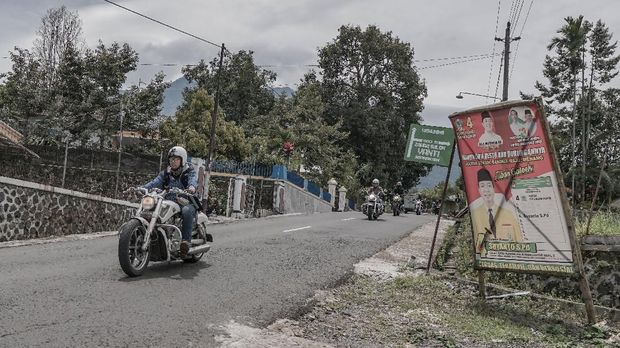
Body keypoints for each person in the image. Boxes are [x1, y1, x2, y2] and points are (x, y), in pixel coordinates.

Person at [143, 146, 198, 256]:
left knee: (187, 211)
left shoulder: (189, 171)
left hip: (186, 201)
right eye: (171, 159)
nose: (173, 162)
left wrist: (191, 188)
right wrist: (142, 188)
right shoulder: (166, 173)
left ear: (182, 160)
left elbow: (193, 180)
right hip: (168, 201)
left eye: (176, 159)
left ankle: (185, 241)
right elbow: (155, 182)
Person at [470, 168, 522, 255]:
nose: (486, 190)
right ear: (479, 190)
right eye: (482, 186)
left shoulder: (508, 214)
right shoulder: (475, 215)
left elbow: (520, 242)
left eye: (489, 185)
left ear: (494, 188)